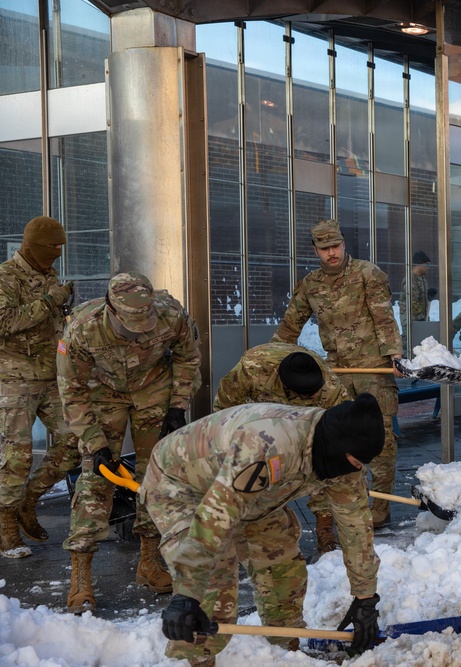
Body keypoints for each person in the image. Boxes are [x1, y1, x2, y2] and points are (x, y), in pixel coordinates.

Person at [147, 397, 384, 666]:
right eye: (354, 461)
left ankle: (284, 653)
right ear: (336, 446)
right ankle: (194, 660)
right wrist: (187, 593)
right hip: (183, 486)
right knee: (212, 590)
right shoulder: (269, 444)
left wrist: (365, 597)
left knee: (284, 572)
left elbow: (355, 525)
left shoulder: (346, 458)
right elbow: (216, 517)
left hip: (253, 496)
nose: (356, 469)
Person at [58, 271, 202, 613]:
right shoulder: (82, 328)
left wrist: (178, 407)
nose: (140, 330)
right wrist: (95, 443)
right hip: (102, 392)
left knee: (157, 475)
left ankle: (149, 562)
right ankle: (81, 576)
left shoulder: (171, 314)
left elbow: (188, 357)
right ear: (111, 309)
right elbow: (71, 389)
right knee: (96, 478)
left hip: (153, 388)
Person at [272, 219, 404, 529]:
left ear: (343, 244)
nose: (332, 253)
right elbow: (290, 326)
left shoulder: (366, 274)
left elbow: (384, 318)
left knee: (381, 441)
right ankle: (343, 508)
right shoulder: (311, 285)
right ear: (315, 250)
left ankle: (381, 509)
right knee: (336, 440)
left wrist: (394, 354)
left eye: (336, 246)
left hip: (373, 369)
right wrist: (270, 357)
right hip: (339, 372)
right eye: (325, 248)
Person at [213, 341, 352, 553]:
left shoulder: (330, 388)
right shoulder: (252, 370)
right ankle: (267, 523)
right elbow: (224, 410)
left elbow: (345, 430)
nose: (314, 397)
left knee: (324, 460)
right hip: (260, 418)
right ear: (287, 390)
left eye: (315, 393)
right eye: (307, 396)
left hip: (308, 424)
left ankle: (324, 528)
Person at [0, 215, 79, 558]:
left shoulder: (49, 274)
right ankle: (6, 529)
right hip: (16, 380)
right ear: (33, 245)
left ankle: (29, 499)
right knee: (16, 457)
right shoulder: (5, 276)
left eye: (61, 246)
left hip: (52, 377)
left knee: (77, 438)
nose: (58, 253)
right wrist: (50, 302)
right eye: (53, 246)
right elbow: (4, 322)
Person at [399, 250, 432, 350]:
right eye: (426, 265)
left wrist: (429, 297)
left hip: (421, 319)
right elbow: (412, 302)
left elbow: (421, 299)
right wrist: (421, 318)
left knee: (421, 345)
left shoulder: (422, 279)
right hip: (411, 320)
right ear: (419, 265)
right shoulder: (411, 280)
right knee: (409, 344)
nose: (428, 268)